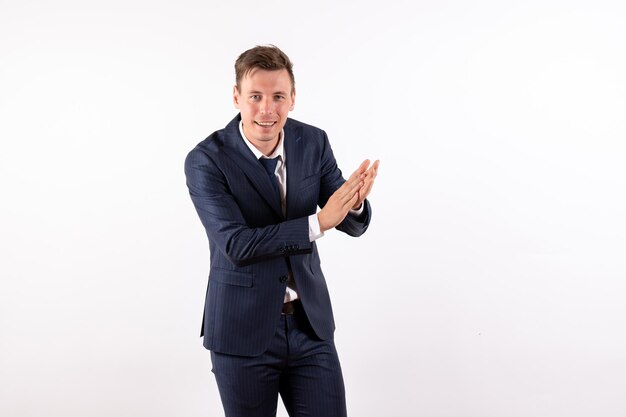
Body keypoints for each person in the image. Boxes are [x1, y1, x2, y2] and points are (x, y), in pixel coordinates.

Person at [184, 45, 379, 417]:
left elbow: (350, 221)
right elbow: (236, 244)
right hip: (242, 331)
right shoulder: (206, 160)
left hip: (310, 327)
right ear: (236, 97)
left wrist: (353, 201)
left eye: (278, 97)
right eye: (255, 96)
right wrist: (319, 222)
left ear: (293, 99)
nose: (266, 110)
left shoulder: (313, 142)